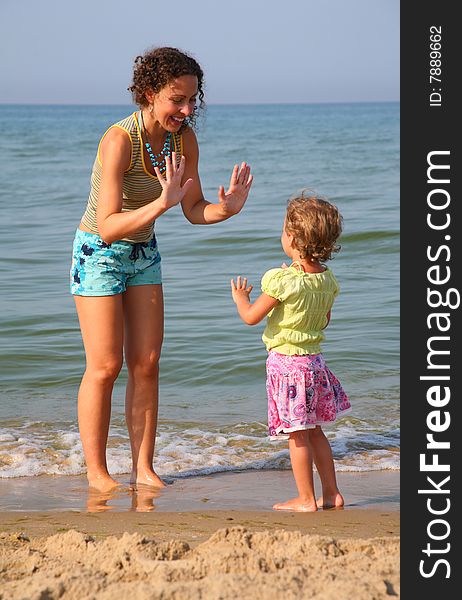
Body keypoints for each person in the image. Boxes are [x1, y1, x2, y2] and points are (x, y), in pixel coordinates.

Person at [70, 47, 253, 492]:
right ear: (150, 93)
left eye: (192, 100)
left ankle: (144, 468)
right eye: (177, 100)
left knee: (147, 363)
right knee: (106, 365)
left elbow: (192, 209)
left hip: (143, 251)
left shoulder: (183, 139)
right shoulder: (118, 140)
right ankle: (97, 474)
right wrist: (159, 203)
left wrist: (225, 210)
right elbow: (109, 226)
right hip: (98, 252)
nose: (186, 110)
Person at [231, 192, 351, 512]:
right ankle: (332, 493)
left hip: (289, 369)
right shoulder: (327, 281)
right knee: (315, 433)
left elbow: (251, 317)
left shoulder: (281, 280)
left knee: (296, 435)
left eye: (284, 230)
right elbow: (322, 322)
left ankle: (305, 499)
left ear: (293, 238)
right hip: (315, 364)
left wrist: (241, 298)